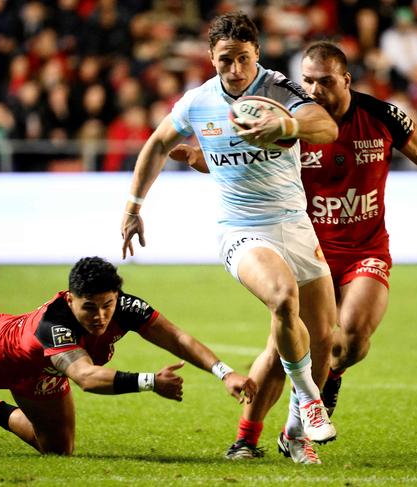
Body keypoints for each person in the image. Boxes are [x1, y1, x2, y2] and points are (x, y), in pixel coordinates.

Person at [170, 41, 417, 464]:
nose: (314, 90)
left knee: (350, 339)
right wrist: (199, 158)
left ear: (346, 80)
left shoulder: (382, 116)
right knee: (281, 351)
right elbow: (239, 154)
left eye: (325, 81)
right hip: (303, 248)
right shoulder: (286, 118)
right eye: (308, 81)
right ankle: (247, 437)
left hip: (364, 250)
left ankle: (312, 403)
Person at [120, 12, 339, 464]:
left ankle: (294, 434)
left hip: (296, 226)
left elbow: (327, 126)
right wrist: (133, 208)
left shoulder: (279, 88)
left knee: (322, 339)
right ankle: (312, 402)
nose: (235, 70)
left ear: (257, 53)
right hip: (241, 230)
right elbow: (157, 144)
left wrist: (287, 127)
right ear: (211, 57)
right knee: (282, 299)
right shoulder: (197, 102)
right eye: (225, 60)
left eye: (243, 58)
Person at [0, 257, 256, 455]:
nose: (100, 316)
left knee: (58, 451)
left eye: (108, 305)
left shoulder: (125, 307)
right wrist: (150, 381)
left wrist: (224, 373)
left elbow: (179, 339)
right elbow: (86, 377)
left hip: (39, 372)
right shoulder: (55, 324)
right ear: (70, 297)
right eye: (90, 307)